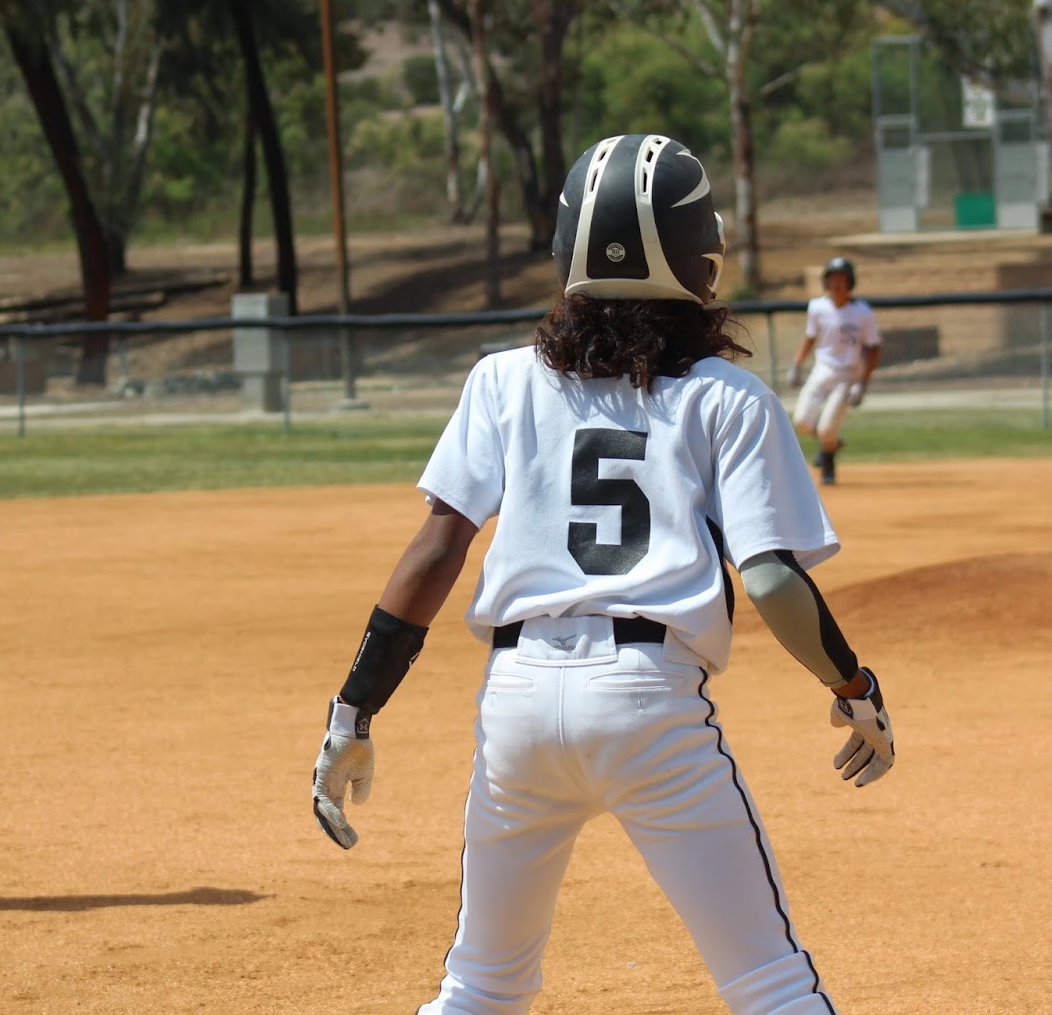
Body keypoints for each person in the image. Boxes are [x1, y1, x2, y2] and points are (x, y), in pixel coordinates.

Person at [309, 134, 895, 1015]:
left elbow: (436, 551)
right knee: (770, 982)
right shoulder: (727, 397)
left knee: (479, 987)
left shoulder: (502, 380)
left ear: (568, 248)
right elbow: (771, 580)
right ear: (701, 254)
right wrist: (854, 687)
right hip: (648, 702)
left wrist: (353, 707)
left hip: (516, 701)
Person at [786, 256, 881, 486]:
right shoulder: (817, 307)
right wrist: (797, 365)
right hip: (822, 369)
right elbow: (810, 338)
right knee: (801, 422)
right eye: (832, 279)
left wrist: (863, 383)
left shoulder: (862, 312)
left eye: (842, 280)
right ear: (826, 283)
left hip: (848, 374)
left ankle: (828, 457)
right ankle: (832, 445)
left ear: (850, 283)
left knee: (827, 428)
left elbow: (874, 347)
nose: (836, 285)